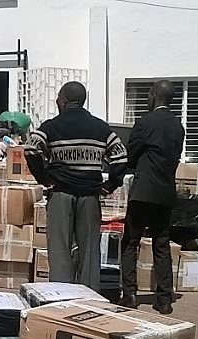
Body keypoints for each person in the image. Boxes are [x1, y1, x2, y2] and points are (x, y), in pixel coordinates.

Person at [26, 82, 127, 291]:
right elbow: (121, 156)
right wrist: (110, 184)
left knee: (60, 249)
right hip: (90, 196)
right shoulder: (100, 127)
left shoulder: (51, 126)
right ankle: (89, 296)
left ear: (63, 101)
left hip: (61, 194)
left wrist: (43, 178)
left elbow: (31, 149)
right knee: (89, 250)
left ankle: (62, 296)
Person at [119, 80, 184, 315]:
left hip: (143, 191)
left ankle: (130, 294)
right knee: (161, 243)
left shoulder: (145, 123)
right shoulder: (178, 126)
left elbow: (131, 155)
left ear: (155, 96)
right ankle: (164, 299)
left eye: (148, 94)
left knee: (131, 242)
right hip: (165, 192)